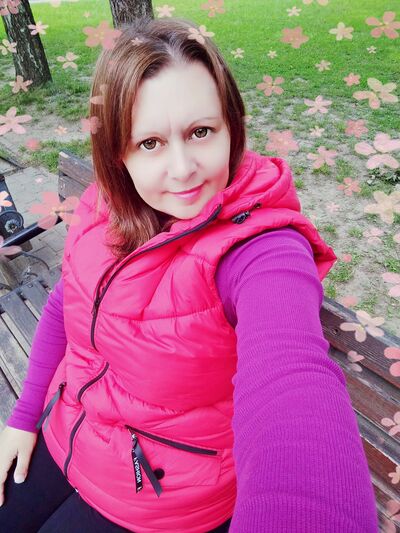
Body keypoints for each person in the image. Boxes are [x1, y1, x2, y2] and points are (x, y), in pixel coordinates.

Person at [0, 15, 379, 533]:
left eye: (201, 132)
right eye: (150, 143)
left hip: (162, 497)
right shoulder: (108, 202)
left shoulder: (262, 251)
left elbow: (294, 385)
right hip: (70, 431)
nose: (182, 169)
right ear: (117, 152)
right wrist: (23, 418)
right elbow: (67, 303)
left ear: (232, 127)